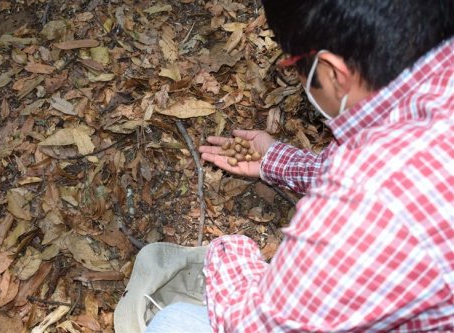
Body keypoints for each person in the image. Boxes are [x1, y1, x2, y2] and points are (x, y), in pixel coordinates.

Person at [143, 1, 454, 331]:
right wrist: (275, 160)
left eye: (294, 63)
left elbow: (255, 325)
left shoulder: (371, 204)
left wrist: (226, 252)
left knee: (172, 322)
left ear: (333, 72)